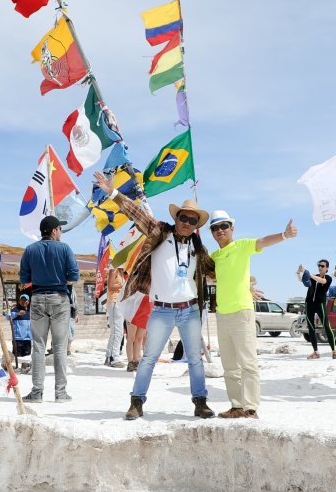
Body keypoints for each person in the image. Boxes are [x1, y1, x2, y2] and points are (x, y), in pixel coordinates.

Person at [94, 170, 216, 421]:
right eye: (183, 217)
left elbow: (217, 272)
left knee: (195, 358)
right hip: (161, 309)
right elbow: (136, 212)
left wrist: (246, 282)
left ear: (196, 225)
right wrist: (113, 192)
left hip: (190, 309)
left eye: (192, 221)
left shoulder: (197, 247)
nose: (187, 223)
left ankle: (200, 402)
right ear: (177, 217)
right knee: (148, 357)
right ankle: (136, 402)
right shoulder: (160, 231)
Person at [209, 210, 297, 419]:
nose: (220, 230)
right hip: (222, 314)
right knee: (229, 366)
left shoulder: (242, 245)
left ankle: (250, 408)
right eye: (215, 227)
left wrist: (284, 235)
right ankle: (236, 405)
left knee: (247, 363)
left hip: (242, 312)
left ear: (232, 228)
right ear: (211, 232)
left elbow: (264, 241)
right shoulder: (213, 257)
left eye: (224, 226)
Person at [19, 215, 79, 403]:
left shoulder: (30, 250)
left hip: (37, 299)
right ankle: (60, 393)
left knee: (38, 347)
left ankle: (37, 392)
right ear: (54, 231)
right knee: (60, 347)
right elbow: (74, 275)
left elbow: (23, 279)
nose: (60, 232)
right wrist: (61, 280)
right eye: (59, 229)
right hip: (59, 299)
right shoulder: (64, 248)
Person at [296, 260, 336, 359]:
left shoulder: (328, 278)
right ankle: (315, 352)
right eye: (319, 265)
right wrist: (299, 272)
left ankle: (334, 351)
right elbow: (301, 280)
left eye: (322, 266)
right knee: (311, 328)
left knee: (327, 327)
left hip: (320, 304)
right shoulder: (313, 276)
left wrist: (309, 274)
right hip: (309, 303)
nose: (320, 267)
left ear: (327, 268)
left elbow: (322, 281)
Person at [104, 267, 127, 368]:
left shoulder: (122, 272)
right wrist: (123, 285)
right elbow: (110, 286)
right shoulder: (114, 270)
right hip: (114, 301)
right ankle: (114, 357)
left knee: (116, 332)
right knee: (117, 332)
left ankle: (109, 356)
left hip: (119, 303)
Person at [6, 294, 32, 359]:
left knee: (27, 358)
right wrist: (17, 314)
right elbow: (7, 316)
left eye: (25, 300)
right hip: (18, 339)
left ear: (28, 301)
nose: (24, 302)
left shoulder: (30, 311)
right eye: (22, 300)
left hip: (27, 339)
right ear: (20, 301)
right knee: (17, 358)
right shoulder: (15, 309)